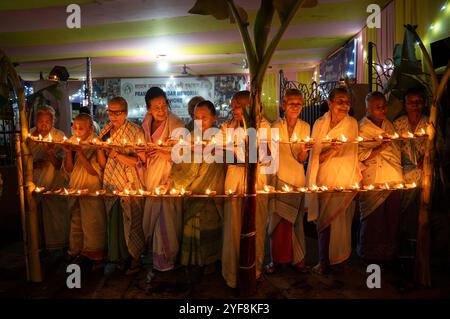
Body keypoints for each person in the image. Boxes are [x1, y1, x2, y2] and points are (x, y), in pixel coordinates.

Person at [169, 100, 225, 284]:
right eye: (196, 118)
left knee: (210, 226)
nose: (200, 121)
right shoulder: (189, 137)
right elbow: (181, 165)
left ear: (214, 117)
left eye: (204, 117)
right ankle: (191, 261)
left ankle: (210, 260)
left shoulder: (222, 138)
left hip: (212, 191)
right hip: (191, 191)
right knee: (191, 226)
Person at [306, 88, 360, 274]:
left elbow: (352, 154)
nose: (344, 105)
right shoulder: (319, 124)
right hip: (323, 178)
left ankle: (339, 258)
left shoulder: (352, 123)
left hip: (343, 178)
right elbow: (315, 158)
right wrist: (332, 150)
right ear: (329, 103)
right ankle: (323, 261)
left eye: (347, 102)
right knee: (324, 221)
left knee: (341, 222)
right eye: (340, 101)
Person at [220, 90, 270, 288]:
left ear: (250, 107)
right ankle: (232, 274)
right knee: (233, 226)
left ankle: (255, 271)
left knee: (256, 224)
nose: (233, 109)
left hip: (256, 180)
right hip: (233, 179)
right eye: (232, 105)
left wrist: (243, 158)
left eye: (238, 105)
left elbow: (265, 158)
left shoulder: (263, 126)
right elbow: (223, 157)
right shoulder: (227, 127)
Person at [265, 89, 310, 274]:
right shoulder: (274, 127)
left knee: (296, 222)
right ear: (283, 105)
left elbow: (301, 158)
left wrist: (305, 152)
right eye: (291, 103)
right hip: (279, 178)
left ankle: (297, 260)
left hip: (297, 179)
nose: (295, 107)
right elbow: (269, 155)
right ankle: (277, 261)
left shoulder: (306, 127)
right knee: (277, 222)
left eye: (299, 103)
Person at [100, 96, 146, 275]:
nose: (113, 116)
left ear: (125, 113)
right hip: (111, 181)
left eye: (117, 112)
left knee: (133, 221)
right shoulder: (105, 131)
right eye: (110, 112)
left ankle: (135, 259)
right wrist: (101, 151)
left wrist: (116, 155)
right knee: (115, 222)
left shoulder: (135, 131)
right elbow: (103, 162)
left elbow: (139, 161)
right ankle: (120, 258)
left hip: (130, 182)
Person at [141, 87, 185, 273]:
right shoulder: (146, 122)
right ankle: (156, 257)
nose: (161, 110)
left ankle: (167, 258)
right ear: (149, 109)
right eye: (156, 107)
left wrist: (160, 152)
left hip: (168, 175)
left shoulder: (175, 123)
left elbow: (181, 155)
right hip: (150, 174)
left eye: (163, 105)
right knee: (153, 217)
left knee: (165, 218)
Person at [357, 92, 403, 262]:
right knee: (373, 219)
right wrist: (379, 148)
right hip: (373, 178)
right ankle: (370, 255)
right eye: (378, 107)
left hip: (393, 176)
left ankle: (389, 254)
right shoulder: (362, 128)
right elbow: (359, 155)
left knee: (392, 218)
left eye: (384, 106)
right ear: (368, 108)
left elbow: (396, 150)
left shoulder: (389, 125)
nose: (383, 109)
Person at [62, 113, 107, 269]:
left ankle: (95, 253)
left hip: (91, 186)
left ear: (90, 128)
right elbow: (68, 169)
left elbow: (95, 171)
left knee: (92, 221)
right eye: (75, 126)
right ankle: (77, 250)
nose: (77, 130)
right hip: (76, 186)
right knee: (76, 220)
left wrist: (80, 152)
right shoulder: (72, 141)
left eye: (81, 127)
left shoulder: (95, 142)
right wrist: (68, 152)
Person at [393, 87, 429, 256]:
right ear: (405, 105)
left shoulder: (430, 123)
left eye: (419, 102)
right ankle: (401, 243)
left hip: (426, 174)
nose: (415, 106)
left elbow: (439, 146)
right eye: (411, 102)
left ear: (424, 104)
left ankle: (420, 246)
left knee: (421, 210)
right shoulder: (398, 124)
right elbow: (392, 150)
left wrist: (427, 159)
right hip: (403, 173)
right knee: (403, 210)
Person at [29, 106, 70, 253]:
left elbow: (60, 164)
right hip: (35, 181)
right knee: (36, 217)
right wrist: (34, 163)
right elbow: (22, 159)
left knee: (56, 217)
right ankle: (40, 247)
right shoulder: (30, 136)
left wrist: (49, 152)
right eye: (41, 121)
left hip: (53, 182)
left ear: (53, 121)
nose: (44, 124)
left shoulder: (58, 136)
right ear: (36, 121)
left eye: (48, 121)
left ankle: (62, 246)